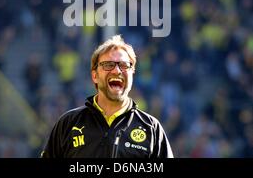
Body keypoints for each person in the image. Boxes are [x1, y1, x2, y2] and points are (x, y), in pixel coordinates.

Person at [41, 35, 174, 158]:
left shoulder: (151, 129)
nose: (117, 71)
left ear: (132, 74)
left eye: (124, 65)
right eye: (108, 65)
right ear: (95, 76)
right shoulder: (68, 124)